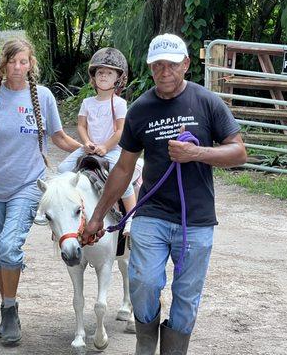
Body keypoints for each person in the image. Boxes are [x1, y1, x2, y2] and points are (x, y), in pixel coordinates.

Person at [81, 33, 247, 355]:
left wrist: (197, 154)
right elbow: (123, 169)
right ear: (150, 68)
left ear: (185, 64)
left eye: (171, 64)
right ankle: (145, 342)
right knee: (143, 282)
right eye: (158, 66)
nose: (165, 71)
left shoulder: (206, 102)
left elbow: (239, 152)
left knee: (186, 296)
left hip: (196, 219)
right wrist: (97, 216)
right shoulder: (141, 109)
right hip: (152, 213)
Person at [0, 38, 81, 346]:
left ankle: (10, 312)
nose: (19, 68)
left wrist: (88, 149)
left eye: (24, 62)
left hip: (27, 185)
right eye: (13, 62)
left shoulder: (43, 97)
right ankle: (8, 308)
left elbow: (59, 137)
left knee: (9, 247)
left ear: (31, 64)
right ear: (4, 65)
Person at [57, 47, 136, 233]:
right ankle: (64, 211)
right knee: (62, 170)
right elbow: (81, 126)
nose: (103, 76)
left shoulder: (119, 103)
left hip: (112, 149)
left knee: (122, 179)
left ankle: (131, 216)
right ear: (93, 76)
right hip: (89, 147)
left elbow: (120, 131)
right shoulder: (87, 103)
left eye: (109, 73)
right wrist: (86, 142)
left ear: (118, 78)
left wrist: (105, 147)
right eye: (100, 72)